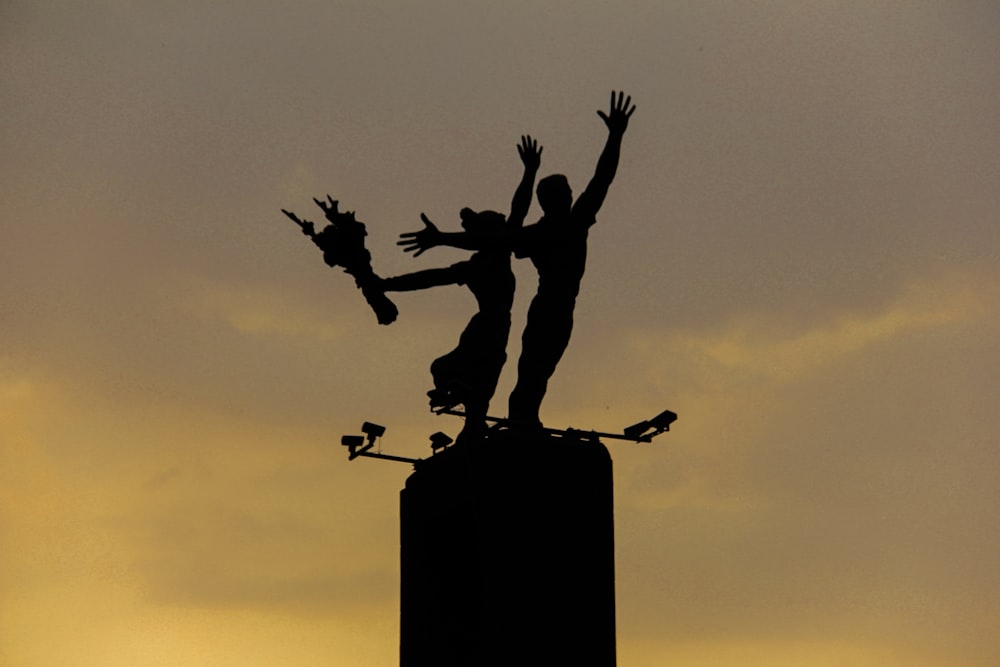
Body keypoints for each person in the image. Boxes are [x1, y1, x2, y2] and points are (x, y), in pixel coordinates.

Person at [399, 91, 636, 427]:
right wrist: (442, 238)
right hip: (549, 310)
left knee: (536, 374)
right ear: (550, 202)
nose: (570, 197)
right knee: (532, 374)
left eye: (569, 193)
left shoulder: (569, 222)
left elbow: (601, 180)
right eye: (563, 194)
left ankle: (522, 422)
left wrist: (615, 137)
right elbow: (489, 239)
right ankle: (523, 425)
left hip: (557, 310)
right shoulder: (551, 230)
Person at [382, 136, 541, 443]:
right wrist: (388, 285)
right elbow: (430, 278)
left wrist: (530, 173)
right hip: (493, 327)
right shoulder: (488, 262)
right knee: (464, 375)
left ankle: (470, 417)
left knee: (470, 380)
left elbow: (431, 278)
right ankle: (467, 409)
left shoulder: (483, 262)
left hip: (489, 326)